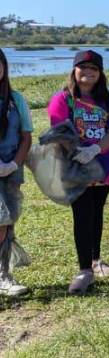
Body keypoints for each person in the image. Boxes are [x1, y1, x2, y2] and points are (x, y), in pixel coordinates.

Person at [47, 51, 109, 293]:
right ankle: (84, 269)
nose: (88, 73)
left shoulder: (105, 101)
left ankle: (96, 261)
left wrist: (96, 149)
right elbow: (60, 130)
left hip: (102, 166)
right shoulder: (63, 99)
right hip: (76, 168)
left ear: (100, 74)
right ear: (74, 70)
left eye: (94, 69)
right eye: (83, 67)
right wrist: (80, 153)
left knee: (97, 213)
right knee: (83, 215)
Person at [0, 48, 33, 296]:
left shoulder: (16, 99)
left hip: (10, 171)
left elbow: (26, 137)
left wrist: (13, 164)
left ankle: (5, 275)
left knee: (7, 223)